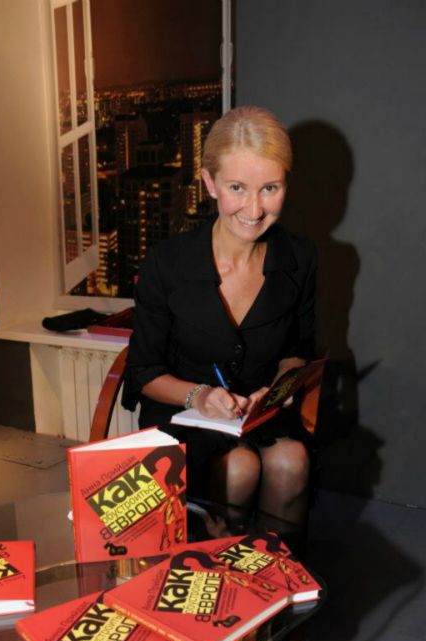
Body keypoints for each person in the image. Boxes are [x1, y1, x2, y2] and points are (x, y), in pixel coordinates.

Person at [122, 105, 317, 525]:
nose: (254, 208)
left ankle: (273, 566)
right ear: (209, 183)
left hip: (258, 415)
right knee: (239, 467)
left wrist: (277, 391)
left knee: (292, 461)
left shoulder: (300, 259)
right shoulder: (165, 263)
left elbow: (298, 352)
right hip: (183, 415)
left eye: (270, 188)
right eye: (237, 187)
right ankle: (210, 562)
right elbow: (143, 372)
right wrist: (200, 396)